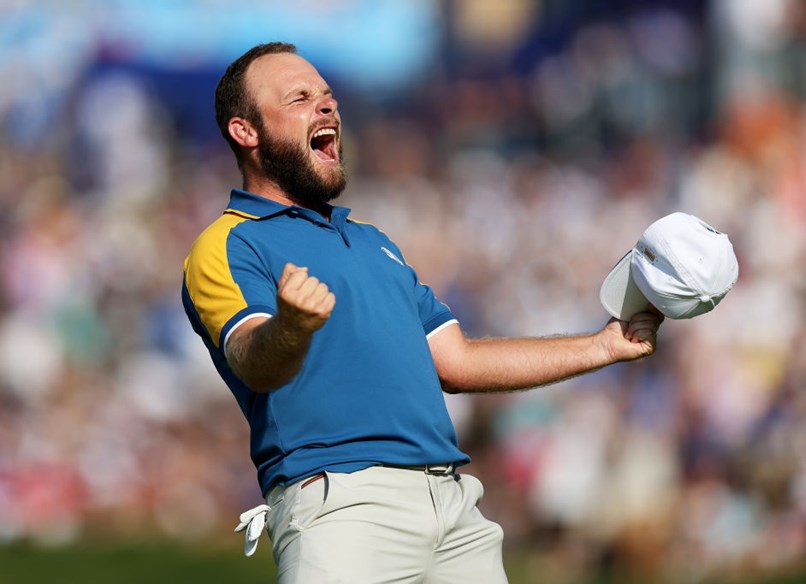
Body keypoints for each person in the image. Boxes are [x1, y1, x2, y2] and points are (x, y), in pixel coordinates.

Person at [181, 41, 663, 584]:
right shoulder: (227, 242)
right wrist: (291, 326)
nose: (326, 107)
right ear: (245, 132)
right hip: (343, 508)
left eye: (328, 96)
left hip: (454, 507)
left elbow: (456, 362)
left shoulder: (373, 243)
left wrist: (602, 345)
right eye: (299, 98)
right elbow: (253, 359)